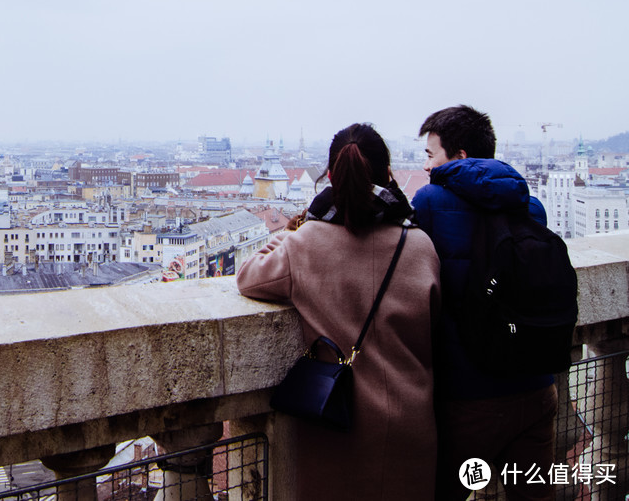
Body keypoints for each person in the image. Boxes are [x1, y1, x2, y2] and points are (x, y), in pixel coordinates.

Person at [238, 123, 441, 501]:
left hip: (337, 426)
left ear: (330, 176)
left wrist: (288, 235)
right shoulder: (420, 246)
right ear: (388, 173)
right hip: (411, 423)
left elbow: (249, 278)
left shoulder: (307, 244)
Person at [412, 105, 556, 501]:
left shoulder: (428, 203)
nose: (426, 166)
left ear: (459, 158)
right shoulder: (532, 207)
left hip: (469, 398)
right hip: (537, 389)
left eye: (430, 155)